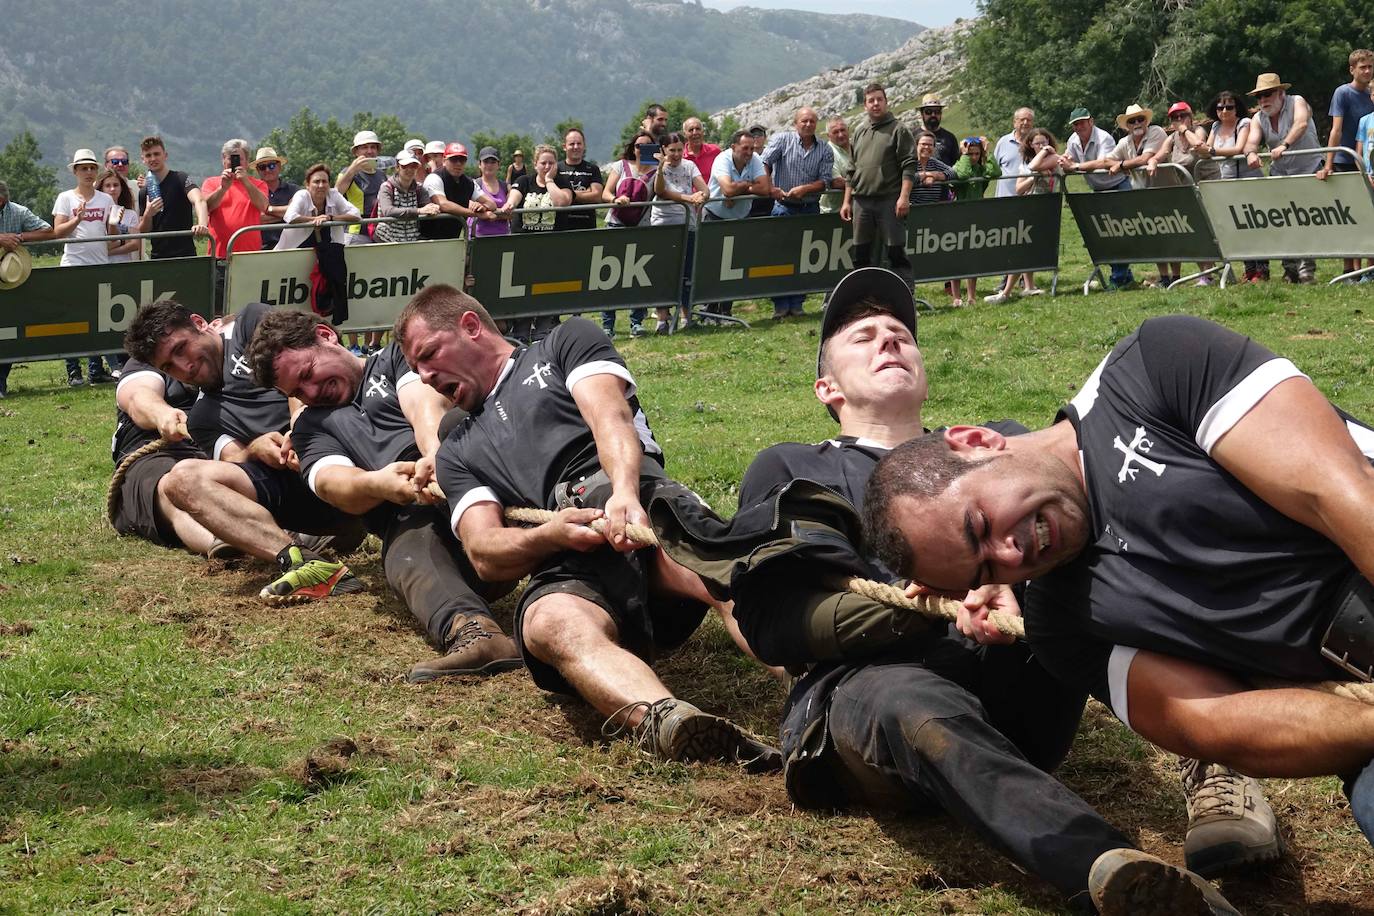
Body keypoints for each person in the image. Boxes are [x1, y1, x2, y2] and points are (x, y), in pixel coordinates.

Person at [649, 267, 1241, 915]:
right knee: (903, 695)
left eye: (901, 333)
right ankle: (1108, 870)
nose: (889, 342)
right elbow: (777, 622)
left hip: (1023, 695)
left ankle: (1219, 767)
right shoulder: (796, 467)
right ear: (827, 386)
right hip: (870, 706)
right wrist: (930, 609)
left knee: (1104, 568)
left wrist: (1031, 583)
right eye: (864, 337)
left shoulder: (994, 445)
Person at [860, 314, 1374, 867]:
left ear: (977, 441)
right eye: (986, 571)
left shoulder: (1153, 369)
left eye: (981, 525)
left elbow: (1342, 495)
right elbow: (1211, 721)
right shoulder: (1065, 630)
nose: (1012, 555)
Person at [394, 285, 781, 769]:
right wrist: (547, 537)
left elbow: (609, 417)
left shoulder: (564, 343)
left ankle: (813, 691)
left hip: (638, 506)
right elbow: (482, 550)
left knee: (717, 572)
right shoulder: (456, 448)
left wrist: (623, 492)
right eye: (416, 370)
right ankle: (671, 722)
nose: (427, 377)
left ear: (471, 326)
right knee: (546, 623)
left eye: (429, 355)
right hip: (567, 558)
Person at [244, 308, 523, 681]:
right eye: (297, 391)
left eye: (308, 373)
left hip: (483, 481)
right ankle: (475, 633)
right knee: (406, 551)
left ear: (327, 336)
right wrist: (381, 484)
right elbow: (332, 482)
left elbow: (424, 404)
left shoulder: (395, 358)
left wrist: (433, 454)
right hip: (415, 518)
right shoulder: (311, 427)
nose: (311, 392)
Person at [124, 299, 367, 603]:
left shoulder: (250, 323)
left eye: (180, 349)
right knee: (181, 480)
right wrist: (256, 447)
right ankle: (303, 561)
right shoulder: (201, 418)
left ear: (200, 324)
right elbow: (233, 459)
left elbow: (293, 358)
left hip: (347, 451)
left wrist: (298, 429)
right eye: (169, 367)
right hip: (296, 485)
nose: (183, 367)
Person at [110, 345, 219, 556]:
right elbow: (138, 397)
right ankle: (219, 541)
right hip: (158, 450)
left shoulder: (234, 368)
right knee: (172, 486)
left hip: (214, 449)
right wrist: (163, 415)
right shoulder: (148, 359)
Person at [1243, 72, 1322, 283]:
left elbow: (1301, 124)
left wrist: (1284, 145)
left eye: (1267, 94)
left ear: (1281, 93)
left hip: (1309, 170)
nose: (1263, 100)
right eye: (1259, 96)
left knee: (1306, 220)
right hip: (1281, 174)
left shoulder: (1297, 101)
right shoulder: (1258, 118)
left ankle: (1306, 269)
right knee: (1284, 221)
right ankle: (1289, 270)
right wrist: (1250, 153)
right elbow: (1251, 141)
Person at [53, 149, 118, 387]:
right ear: (75, 171)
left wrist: (115, 225)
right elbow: (58, 232)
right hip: (73, 264)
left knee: (96, 319)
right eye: (83, 168)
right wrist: (77, 219)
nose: (88, 172)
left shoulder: (105, 199)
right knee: (72, 319)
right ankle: (73, 371)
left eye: (92, 168)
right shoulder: (65, 198)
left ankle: (95, 370)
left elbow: (111, 235)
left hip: (99, 264)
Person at [839, 83, 915, 287]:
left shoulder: (898, 130)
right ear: (865, 105)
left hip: (889, 200)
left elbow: (909, 165)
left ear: (886, 102)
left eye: (879, 99)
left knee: (895, 253)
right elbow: (851, 169)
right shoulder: (859, 132)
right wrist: (847, 202)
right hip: (861, 202)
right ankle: (864, 300)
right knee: (861, 255)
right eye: (871, 100)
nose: (875, 104)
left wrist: (904, 197)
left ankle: (905, 297)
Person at [760, 107, 833, 319]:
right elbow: (764, 162)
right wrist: (771, 187)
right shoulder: (782, 140)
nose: (808, 124)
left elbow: (825, 181)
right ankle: (781, 305)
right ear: (795, 123)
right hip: (783, 206)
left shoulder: (825, 149)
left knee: (804, 258)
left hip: (809, 207)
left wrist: (806, 189)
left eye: (812, 121)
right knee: (780, 255)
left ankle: (798, 303)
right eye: (804, 121)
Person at [1061, 108, 1135, 291]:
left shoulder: (1104, 138)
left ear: (1091, 121)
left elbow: (1103, 162)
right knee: (1106, 235)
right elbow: (1067, 158)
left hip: (1118, 186)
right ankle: (1125, 276)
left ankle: (1118, 278)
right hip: (1098, 189)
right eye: (1075, 124)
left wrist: (1076, 166)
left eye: (1082, 122)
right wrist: (1064, 161)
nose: (1079, 126)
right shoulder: (1073, 141)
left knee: (1118, 233)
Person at [1146, 103, 1220, 286]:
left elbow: (1198, 144)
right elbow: (1161, 153)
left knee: (1208, 231)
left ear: (1191, 116)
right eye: (1174, 117)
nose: (1178, 120)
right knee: (1195, 232)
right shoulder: (1172, 138)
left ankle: (1209, 274)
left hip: (1208, 188)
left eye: (1182, 115)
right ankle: (1205, 274)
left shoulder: (1199, 130)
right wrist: (1153, 161)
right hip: (1188, 191)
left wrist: (1185, 130)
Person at [1317, 49, 1374, 279]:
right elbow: (1336, 129)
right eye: (1363, 67)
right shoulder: (1343, 93)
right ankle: (1349, 269)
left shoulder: (1372, 93)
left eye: (1370, 66)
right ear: (1352, 69)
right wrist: (1329, 163)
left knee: (1368, 216)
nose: (1367, 71)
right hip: (1344, 160)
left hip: (1368, 164)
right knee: (1349, 216)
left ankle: (1368, 269)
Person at [703, 129, 772, 322]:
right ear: (734, 147)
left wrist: (739, 187)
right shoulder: (722, 160)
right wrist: (746, 186)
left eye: (751, 148)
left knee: (734, 266)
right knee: (712, 264)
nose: (749, 152)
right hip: (715, 216)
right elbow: (727, 188)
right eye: (745, 148)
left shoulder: (755, 159)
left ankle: (725, 311)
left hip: (740, 217)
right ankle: (709, 310)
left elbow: (764, 188)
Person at [0, 179, 58, 397]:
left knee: (7, 332)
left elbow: (49, 232)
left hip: (8, 277)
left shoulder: (19, 212)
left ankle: (0, 383)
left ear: (2, 200)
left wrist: (20, 237)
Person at [985, 129, 1057, 304]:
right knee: (1023, 248)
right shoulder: (1025, 163)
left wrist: (1046, 151)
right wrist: (1034, 178)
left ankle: (1008, 292)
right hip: (1028, 208)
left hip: (1045, 208)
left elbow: (1034, 167)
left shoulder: (1053, 158)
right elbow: (1019, 188)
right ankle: (1020, 289)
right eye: (1037, 143)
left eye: (1044, 142)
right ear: (1030, 145)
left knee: (1026, 249)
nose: (1041, 146)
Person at [600, 134, 658, 338]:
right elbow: (605, 192)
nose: (643, 150)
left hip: (641, 226)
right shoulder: (620, 166)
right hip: (615, 224)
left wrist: (662, 164)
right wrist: (616, 199)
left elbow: (661, 191)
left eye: (648, 146)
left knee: (638, 275)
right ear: (633, 148)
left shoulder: (657, 171)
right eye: (639, 146)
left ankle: (637, 322)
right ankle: (608, 325)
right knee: (609, 275)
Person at [649, 131, 707, 334]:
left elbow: (704, 188)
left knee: (686, 271)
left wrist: (701, 195)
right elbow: (660, 191)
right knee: (663, 272)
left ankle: (685, 316)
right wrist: (688, 198)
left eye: (679, 150)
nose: (676, 154)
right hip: (663, 224)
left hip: (687, 224)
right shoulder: (660, 168)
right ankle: (662, 319)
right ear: (664, 150)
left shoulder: (689, 166)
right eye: (672, 150)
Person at [1205, 91, 1265, 283]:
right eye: (1220, 107)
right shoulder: (1214, 126)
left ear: (1237, 107)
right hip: (1227, 183)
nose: (1224, 111)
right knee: (1240, 227)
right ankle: (1249, 271)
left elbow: (1238, 149)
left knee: (1256, 226)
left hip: (1249, 181)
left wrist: (1211, 151)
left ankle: (1261, 271)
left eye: (1229, 107)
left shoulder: (1244, 123)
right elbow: (1206, 150)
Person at [136, 135, 210, 261]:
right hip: (158, 258)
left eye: (156, 154)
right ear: (143, 159)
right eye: (148, 155)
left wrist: (202, 224)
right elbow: (144, 231)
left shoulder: (180, 178)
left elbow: (199, 200)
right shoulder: (144, 192)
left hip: (186, 255)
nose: (153, 158)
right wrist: (148, 214)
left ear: (165, 155)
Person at [202, 138, 270, 259]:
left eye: (239, 159)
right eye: (231, 158)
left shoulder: (259, 184)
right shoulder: (211, 183)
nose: (235, 163)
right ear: (223, 160)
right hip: (219, 255)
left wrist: (246, 182)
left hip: (250, 254)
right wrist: (222, 189)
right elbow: (206, 208)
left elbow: (264, 206)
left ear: (247, 162)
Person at [949, 137, 998, 306]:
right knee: (956, 257)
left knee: (972, 257)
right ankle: (956, 296)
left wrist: (988, 153)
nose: (974, 157)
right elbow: (962, 174)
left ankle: (971, 296)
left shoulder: (980, 169)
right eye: (971, 154)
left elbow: (995, 173)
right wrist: (964, 155)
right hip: (957, 216)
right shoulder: (959, 165)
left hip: (976, 217)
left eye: (977, 154)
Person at [274, 163, 360, 251]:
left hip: (330, 250)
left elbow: (356, 214)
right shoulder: (302, 195)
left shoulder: (333, 194)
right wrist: (315, 219)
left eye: (324, 181)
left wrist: (331, 218)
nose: (321, 185)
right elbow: (289, 216)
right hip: (294, 250)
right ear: (307, 185)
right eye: (316, 181)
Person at [422, 143, 487, 241]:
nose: (458, 163)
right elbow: (443, 204)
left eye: (462, 160)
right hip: (428, 239)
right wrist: (474, 214)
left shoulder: (469, 182)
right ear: (444, 161)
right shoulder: (434, 178)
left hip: (453, 240)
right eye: (453, 159)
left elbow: (491, 203)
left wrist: (482, 207)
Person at [505, 143, 575, 234]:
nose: (547, 166)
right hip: (523, 237)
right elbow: (514, 196)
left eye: (551, 163)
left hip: (554, 238)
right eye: (543, 163)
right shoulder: (523, 181)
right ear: (535, 165)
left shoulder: (563, 182)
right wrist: (510, 204)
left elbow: (562, 203)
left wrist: (549, 180)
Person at [374, 150, 440, 244]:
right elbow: (388, 211)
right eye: (405, 166)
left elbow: (428, 207)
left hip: (411, 240)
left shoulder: (420, 188)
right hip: (386, 239)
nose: (410, 169)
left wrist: (433, 208)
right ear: (397, 168)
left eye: (414, 166)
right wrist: (418, 211)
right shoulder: (386, 187)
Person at [335, 130, 386, 245]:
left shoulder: (381, 174)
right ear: (356, 152)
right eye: (364, 148)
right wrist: (352, 170)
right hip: (355, 233)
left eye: (373, 147)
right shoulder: (347, 172)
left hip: (379, 232)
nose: (369, 151)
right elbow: (336, 194)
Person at [252, 147, 299, 250]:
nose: (267, 170)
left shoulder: (293, 189)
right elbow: (255, 218)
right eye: (262, 167)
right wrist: (287, 215)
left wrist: (268, 210)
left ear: (279, 166)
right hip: (260, 249)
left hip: (291, 248)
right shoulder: (252, 192)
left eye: (271, 165)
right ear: (257, 170)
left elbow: (298, 212)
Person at [556, 128, 603, 232]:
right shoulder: (555, 169)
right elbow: (552, 197)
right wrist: (586, 193)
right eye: (572, 144)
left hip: (587, 226)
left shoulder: (593, 169)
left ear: (584, 146)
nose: (576, 147)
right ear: (564, 147)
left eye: (579, 143)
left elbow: (597, 196)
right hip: (560, 227)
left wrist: (568, 196)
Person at [98, 169, 142, 264]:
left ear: (121, 188)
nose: (112, 189)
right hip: (100, 264)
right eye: (107, 186)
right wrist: (123, 240)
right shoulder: (96, 213)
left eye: (116, 185)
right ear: (101, 189)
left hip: (123, 265)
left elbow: (135, 244)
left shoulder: (131, 214)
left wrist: (107, 252)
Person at [469, 147, 513, 238]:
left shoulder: (505, 187)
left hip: (502, 236)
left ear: (498, 165)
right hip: (477, 238)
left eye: (493, 162)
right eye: (486, 162)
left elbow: (512, 213)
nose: (489, 165)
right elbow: (468, 205)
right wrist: (500, 213)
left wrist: (489, 212)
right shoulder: (473, 185)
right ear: (479, 164)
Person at [993, 108, 1034, 197]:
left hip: (1031, 199)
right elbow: (993, 168)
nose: (1026, 122)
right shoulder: (1003, 142)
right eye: (1022, 119)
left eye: (1029, 120)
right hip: (1005, 199)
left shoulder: (1037, 143)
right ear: (1015, 122)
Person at [820, 116, 852, 215]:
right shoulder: (827, 153)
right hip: (833, 211)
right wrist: (864, 184)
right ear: (828, 135)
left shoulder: (856, 148)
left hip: (855, 209)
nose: (840, 135)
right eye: (835, 132)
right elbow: (836, 182)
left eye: (843, 130)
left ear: (848, 130)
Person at [918, 93, 959, 165]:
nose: (933, 115)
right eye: (928, 112)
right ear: (922, 114)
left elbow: (956, 165)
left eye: (937, 112)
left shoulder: (950, 138)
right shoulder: (912, 136)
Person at [682, 117, 721, 181]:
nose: (695, 132)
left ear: (703, 132)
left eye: (698, 129)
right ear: (684, 134)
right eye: (691, 130)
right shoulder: (680, 156)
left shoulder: (715, 151)